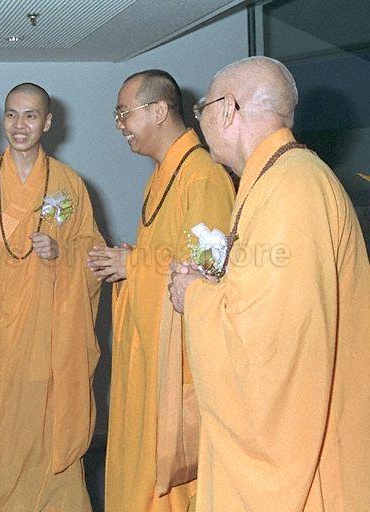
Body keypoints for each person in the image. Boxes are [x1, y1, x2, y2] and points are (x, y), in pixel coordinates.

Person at [168, 56, 370, 511]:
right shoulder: (277, 178)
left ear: (226, 110)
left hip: (303, 457)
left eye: (201, 110)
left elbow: (266, 347)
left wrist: (194, 296)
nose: (201, 122)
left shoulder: (291, 187)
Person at [86, 70, 235, 511]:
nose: (118, 125)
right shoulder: (162, 176)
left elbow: (208, 274)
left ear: (158, 110)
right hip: (150, 359)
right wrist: (133, 261)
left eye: (123, 113)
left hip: (180, 369)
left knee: (167, 481)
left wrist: (134, 264)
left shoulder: (203, 176)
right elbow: (171, 255)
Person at [0, 82, 104, 511]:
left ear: (47, 122)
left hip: (49, 337)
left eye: (29, 115)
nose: (19, 125)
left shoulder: (68, 183)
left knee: (47, 430)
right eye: (11, 114)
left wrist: (63, 252)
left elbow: (94, 255)